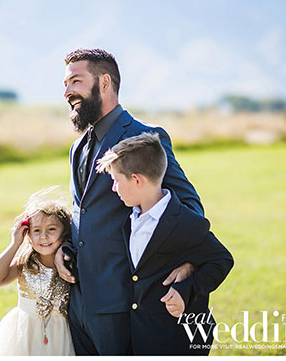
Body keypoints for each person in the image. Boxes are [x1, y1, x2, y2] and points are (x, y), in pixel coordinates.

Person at [55, 48, 205, 355]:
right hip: (79, 302)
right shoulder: (77, 147)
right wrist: (64, 249)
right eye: (66, 84)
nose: (68, 91)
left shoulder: (146, 137)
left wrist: (190, 263)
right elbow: (83, 214)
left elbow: (190, 208)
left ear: (105, 82)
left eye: (76, 81)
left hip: (122, 302)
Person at [96, 132, 234, 355]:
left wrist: (185, 290)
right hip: (139, 337)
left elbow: (221, 260)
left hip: (175, 340)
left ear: (137, 180)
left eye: (116, 181)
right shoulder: (128, 219)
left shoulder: (185, 222)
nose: (113, 189)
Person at [0, 188, 75, 356]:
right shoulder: (25, 263)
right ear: (28, 235)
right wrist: (14, 244)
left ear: (65, 233)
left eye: (52, 229)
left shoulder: (69, 263)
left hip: (61, 334)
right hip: (25, 333)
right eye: (37, 230)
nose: (43, 237)